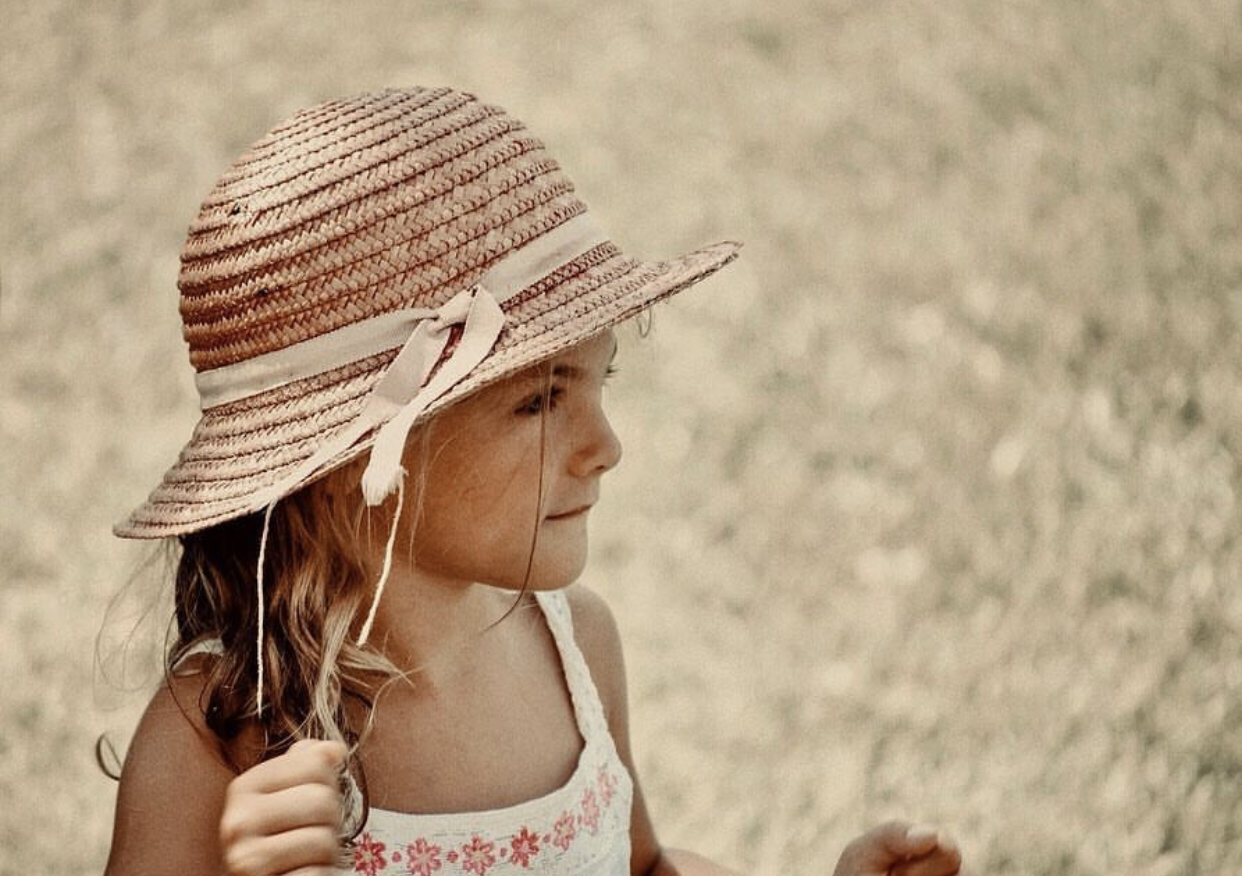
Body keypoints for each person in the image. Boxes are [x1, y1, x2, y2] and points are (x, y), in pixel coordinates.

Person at [102, 86, 964, 876]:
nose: (605, 447)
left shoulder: (576, 647)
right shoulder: (219, 743)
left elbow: (643, 868)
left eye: (600, 381)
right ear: (346, 464)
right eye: (539, 401)